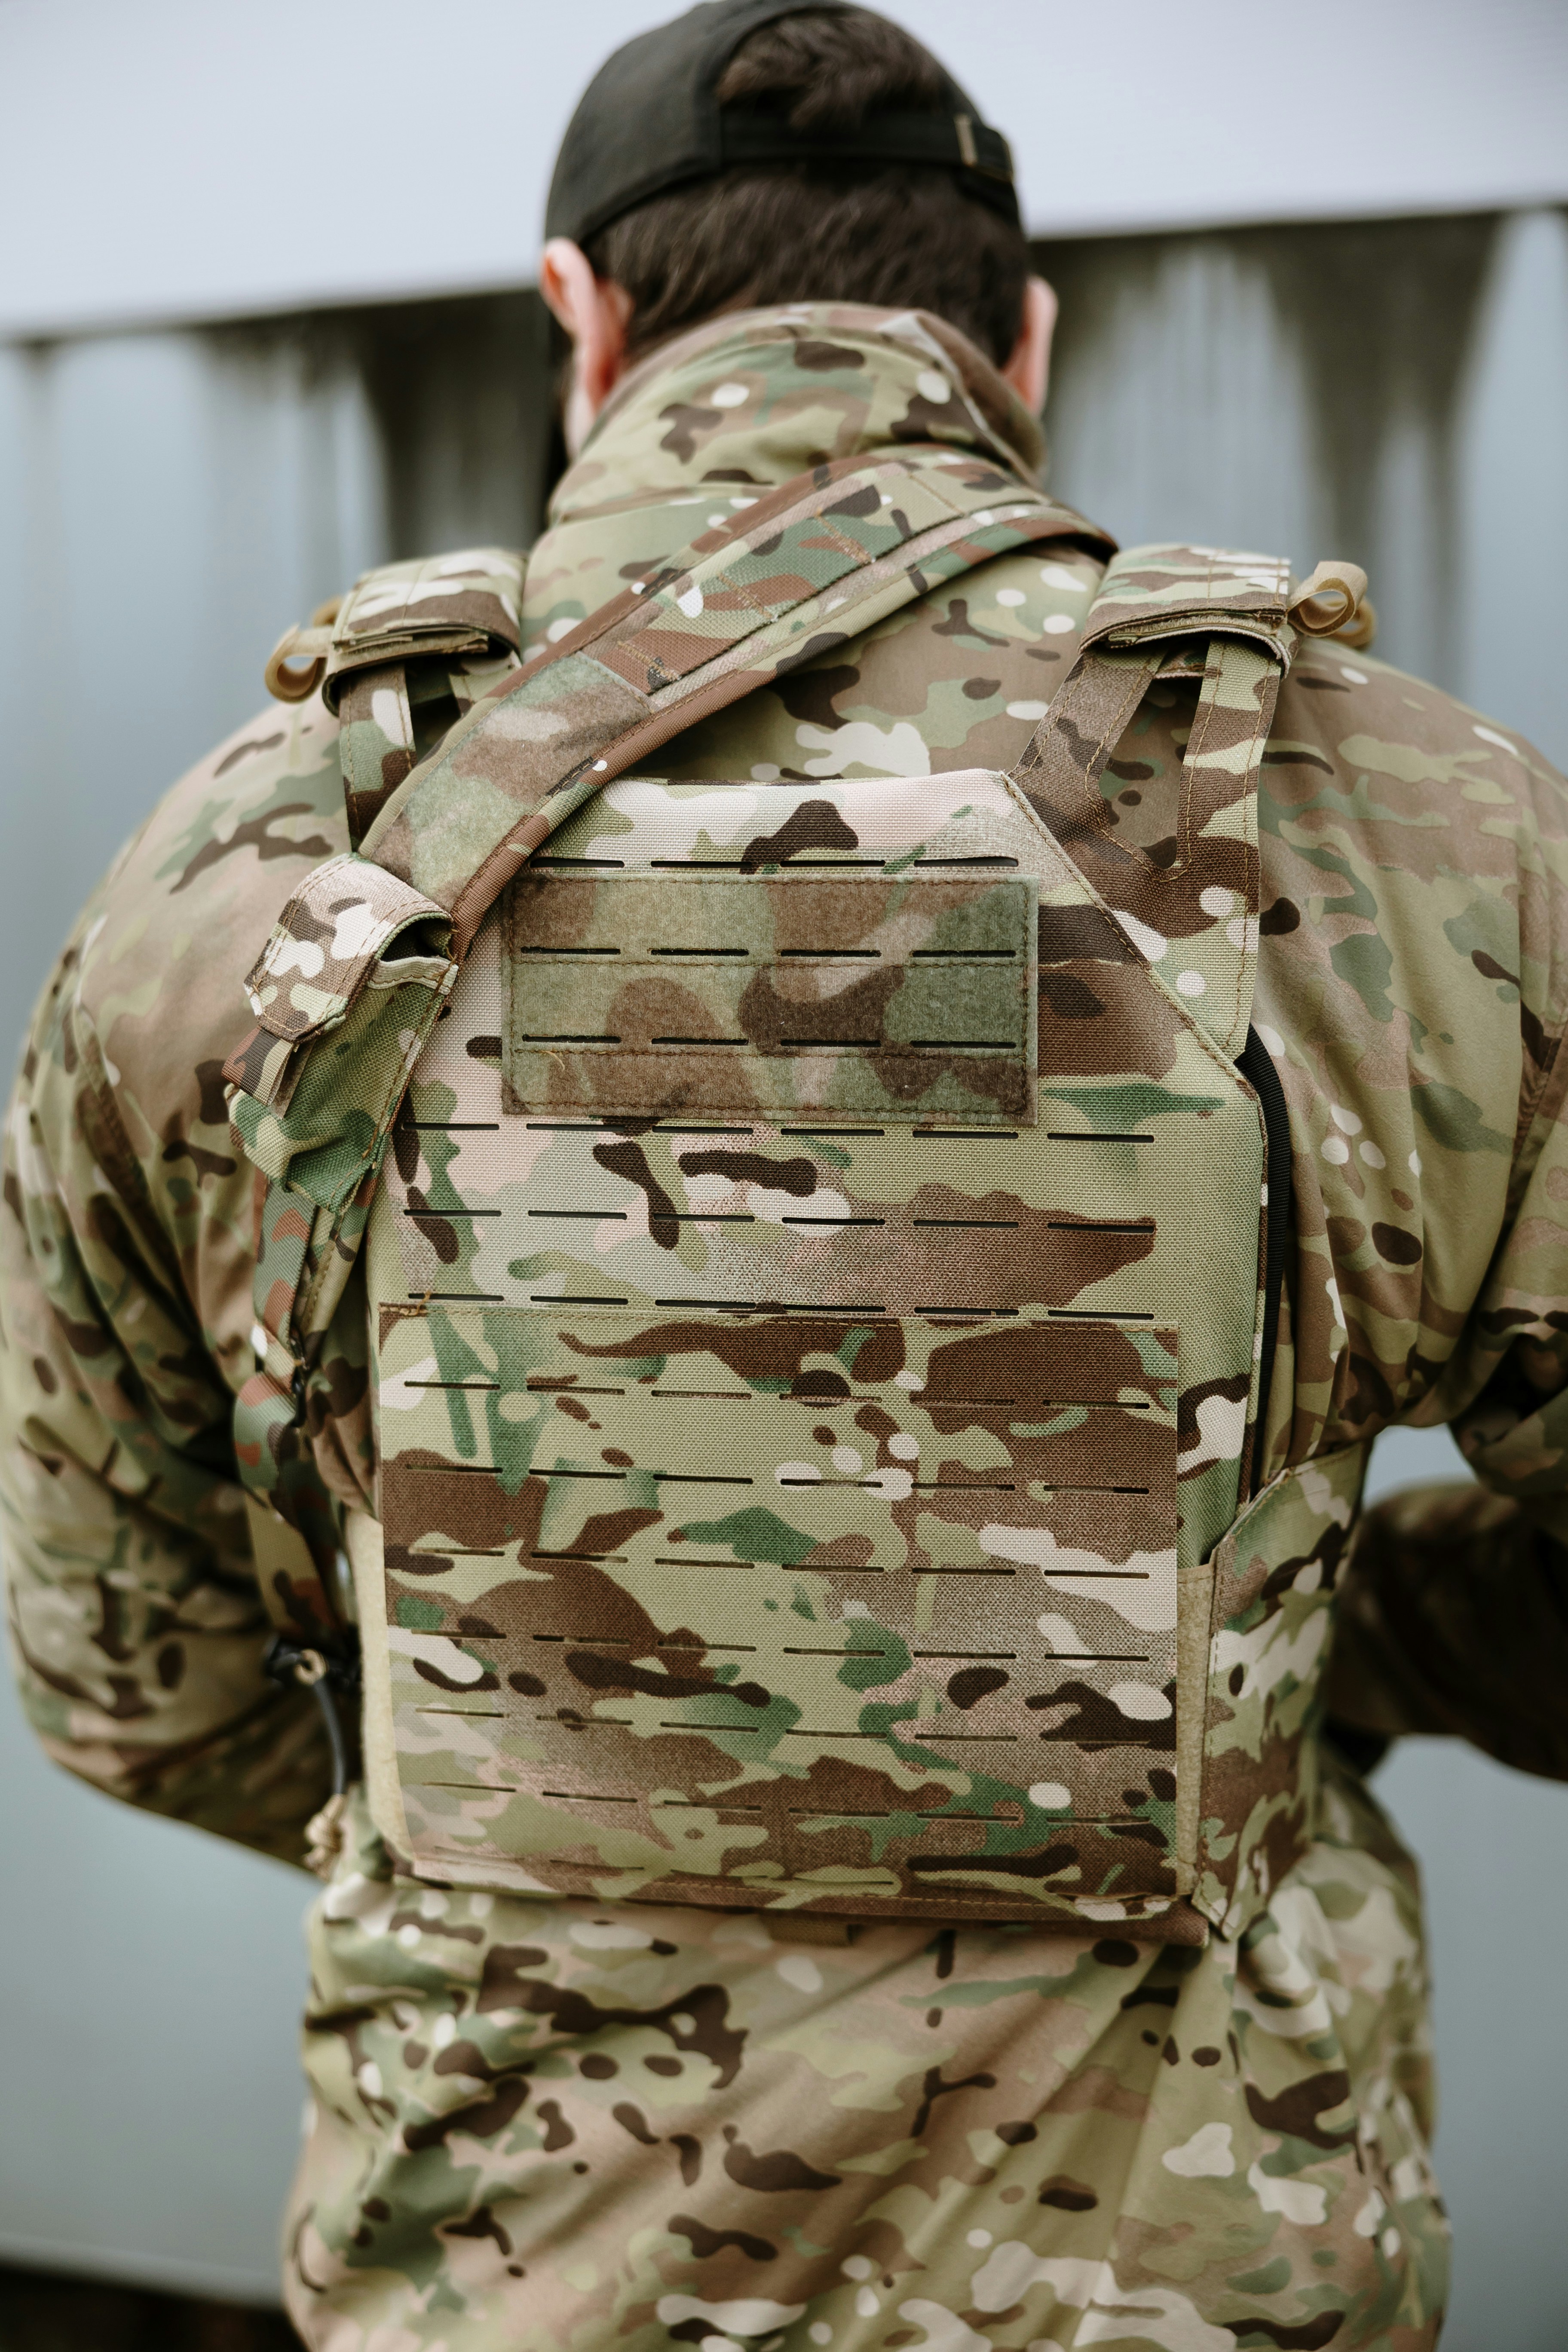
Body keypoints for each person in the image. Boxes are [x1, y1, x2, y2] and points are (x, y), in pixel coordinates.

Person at [4, 4, 1567, 2345]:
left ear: (583, 314)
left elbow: (124, 1668)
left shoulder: (234, 871)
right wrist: (1294, 1650)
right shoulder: (1420, 833)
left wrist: (545, 1729)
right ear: (1021, 341)